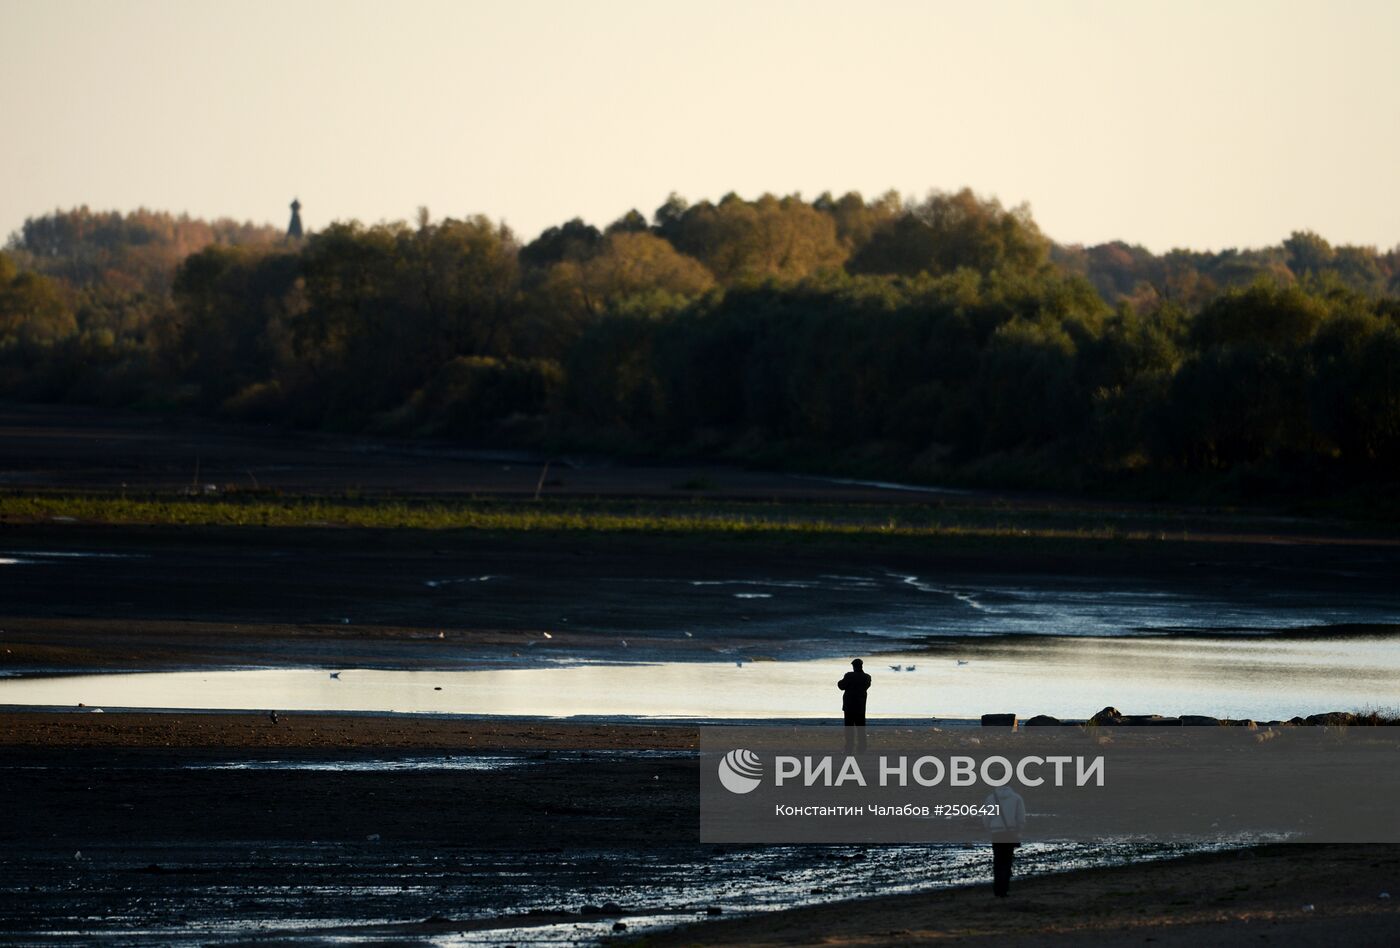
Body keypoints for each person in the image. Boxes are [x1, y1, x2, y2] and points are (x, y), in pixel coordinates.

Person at [982, 783, 1026, 897]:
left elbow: (986, 818)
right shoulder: (1016, 798)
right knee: (1007, 861)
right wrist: (1018, 831)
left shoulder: (991, 798)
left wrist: (990, 829)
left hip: (996, 833)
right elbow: (1021, 818)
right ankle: (1004, 888)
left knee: (998, 861)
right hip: (1010, 833)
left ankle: (997, 889)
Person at [837, 658, 871, 752]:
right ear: (861, 666)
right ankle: (862, 748)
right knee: (861, 729)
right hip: (860, 706)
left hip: (849, 706)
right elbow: (866, 686)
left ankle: (849, 748)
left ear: (854, 666)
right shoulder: (867, 677)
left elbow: (841, 686)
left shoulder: (849, 675)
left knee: (849, 729)